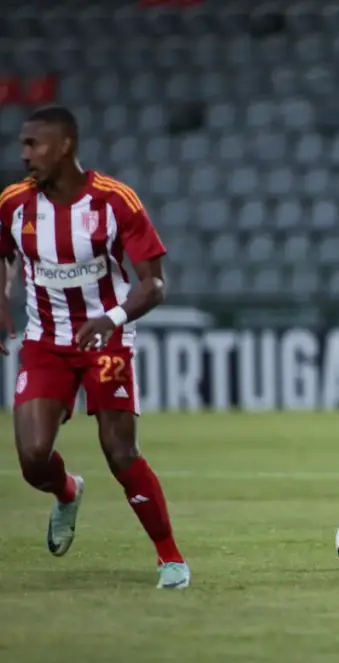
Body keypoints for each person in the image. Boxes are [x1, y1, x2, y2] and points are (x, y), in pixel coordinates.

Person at [0, 105, 189, 589]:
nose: (24, 155)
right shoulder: (14, 204)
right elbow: (3, 255)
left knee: (120, 451)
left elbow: (155, 284)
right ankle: (67, 492)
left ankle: (170, 558)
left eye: (33, 144)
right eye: (23, 145)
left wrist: (114, 317)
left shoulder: (114, 201)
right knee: (33, 457)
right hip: (45, 341)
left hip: (107, 339)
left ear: (65, 146)